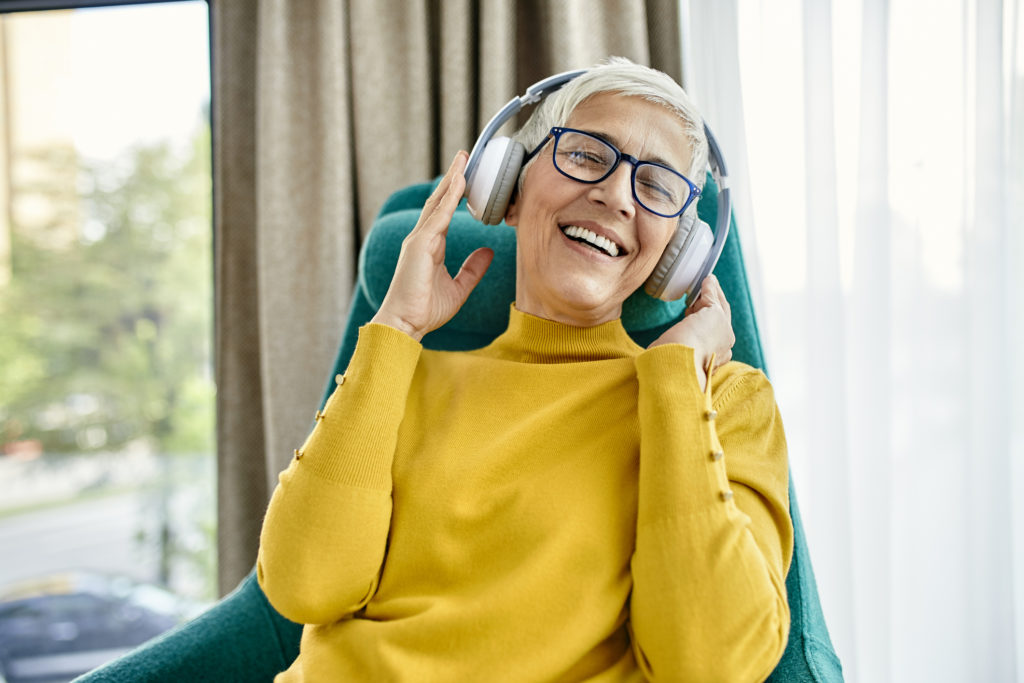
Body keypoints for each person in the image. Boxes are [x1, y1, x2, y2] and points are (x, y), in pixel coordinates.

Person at [257, 57, 793, 682]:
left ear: (680, 251)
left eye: (657, 187)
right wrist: (393, 332)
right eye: (589, 155)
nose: (615, 196)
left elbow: (710, 663)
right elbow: (304, 585)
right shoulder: (402, 379)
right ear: (508, 188)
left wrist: (674, 377)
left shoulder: (724, 402)